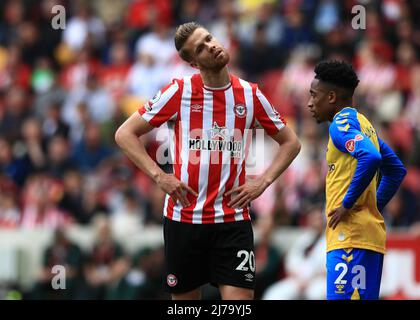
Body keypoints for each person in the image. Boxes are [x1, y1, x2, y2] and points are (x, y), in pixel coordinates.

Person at [115, 21, 301, 300]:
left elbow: (291, 142)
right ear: (193, 63)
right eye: (200, 48)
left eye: (209, 39)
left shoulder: (250, 94)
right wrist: (159, 176)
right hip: (183, 220)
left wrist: (262, 182)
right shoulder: (178, 92)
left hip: (232, 220)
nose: (211, 46)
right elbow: (125, 134)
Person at [307, 60, 407, 300]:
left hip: (349, 238)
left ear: (331, 97)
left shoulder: (340, 126)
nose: (310, 102)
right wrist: (373, 208)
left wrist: (347, 204)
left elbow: (370, 157)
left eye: (313, 95)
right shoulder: (365, 125)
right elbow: (395, 169)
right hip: (367, 236)